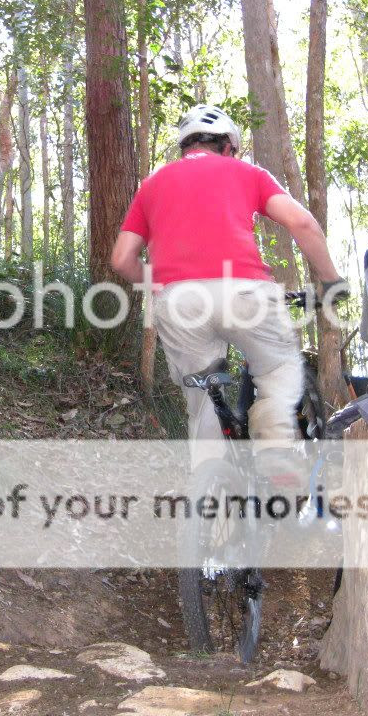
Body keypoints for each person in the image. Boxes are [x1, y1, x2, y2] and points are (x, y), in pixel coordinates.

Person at [110, 104, 347, 477]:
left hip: (178, 302)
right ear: (227, 146)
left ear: (186, 146)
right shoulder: (248, 173)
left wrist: (161, 284)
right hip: (244, 291)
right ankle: (275, 448)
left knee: (203, 404)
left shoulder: (152, 184)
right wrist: (331, 280)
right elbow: (302, 223)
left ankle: (209, 491)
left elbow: (122, 259)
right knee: (279, 368)